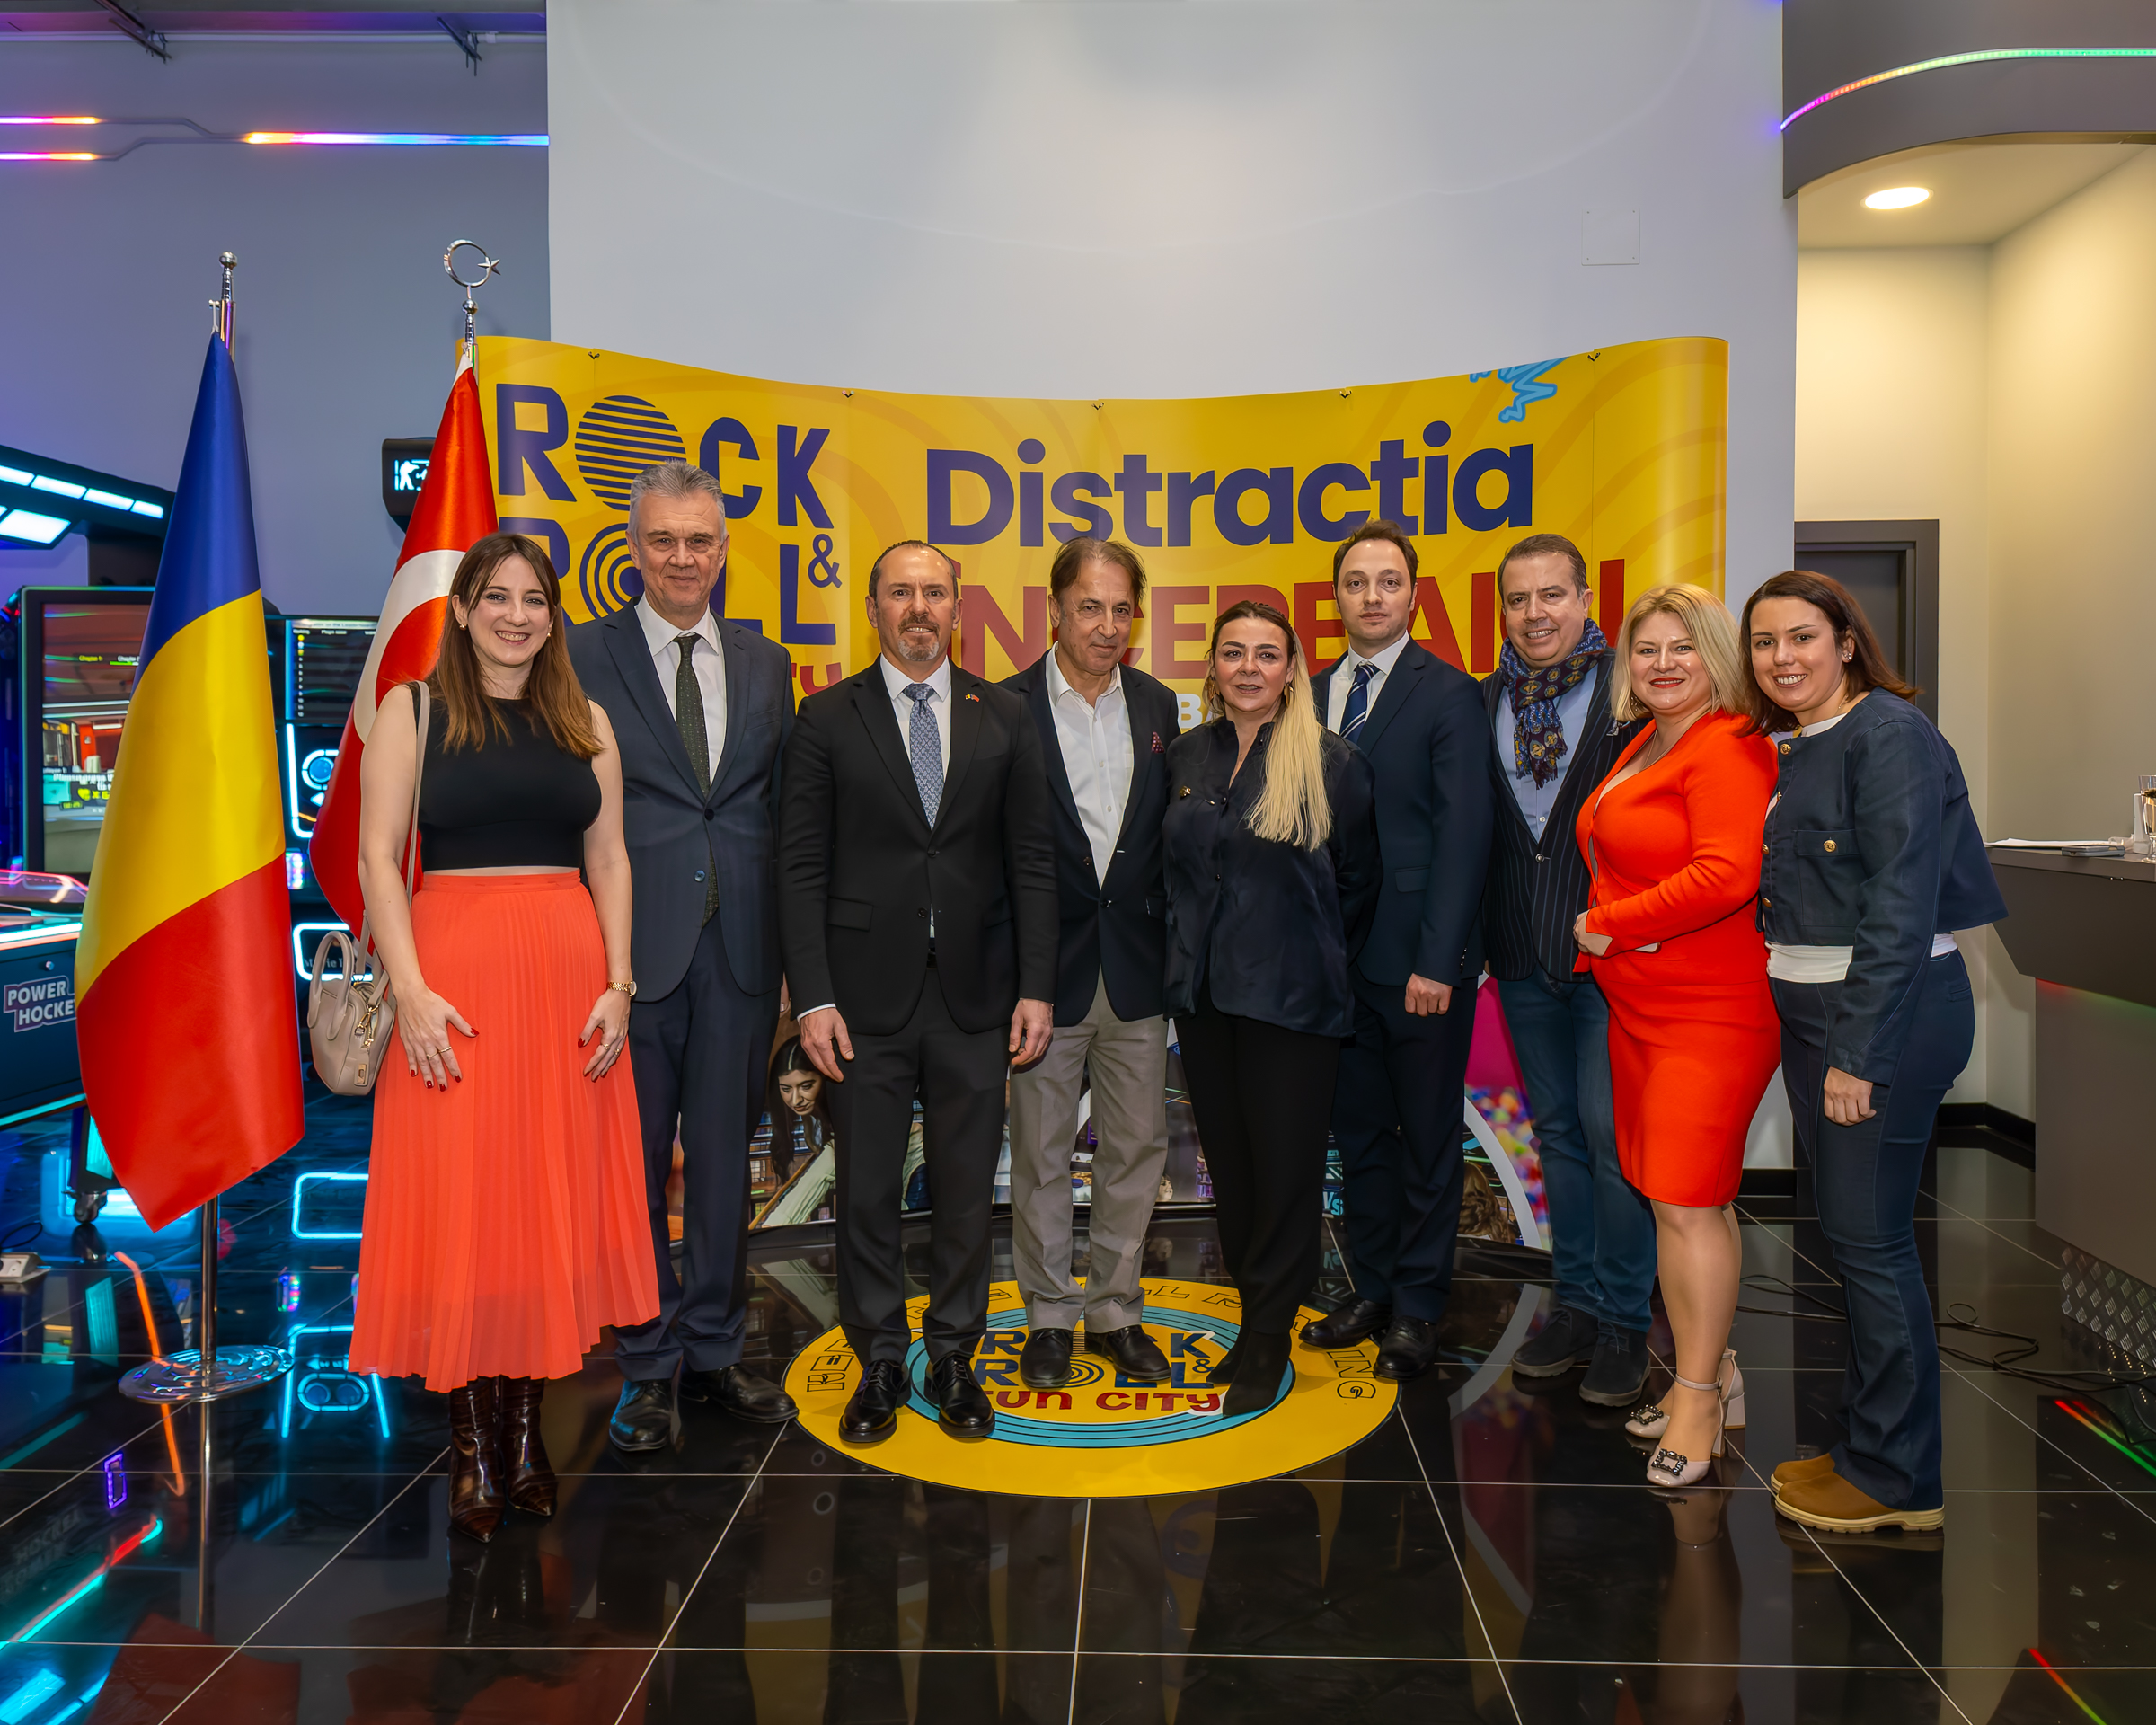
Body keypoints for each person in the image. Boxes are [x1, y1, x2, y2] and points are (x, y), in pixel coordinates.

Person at [347, 533, 658, 1542]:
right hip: (454, 985)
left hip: (568, 986)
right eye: (497, 597)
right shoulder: (413, 709)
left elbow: (610, 859)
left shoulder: (587, 720)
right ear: (464, 608)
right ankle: (470, 1443)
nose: (516, 616)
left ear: (553, 616)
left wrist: (618, 985)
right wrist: (410, 990)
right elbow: (379, 859)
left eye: (534, 600)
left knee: (538, 1200)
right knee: (465, 1200)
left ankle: (525, 1432)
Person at [778, 540, 1059, 1442]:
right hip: (860, 1002)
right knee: (865, 1190)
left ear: (957, 608)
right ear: (873, 608)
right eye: (900, 592)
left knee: (967, 1192)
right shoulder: (826, 717)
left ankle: (955, 1358)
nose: (919, 609)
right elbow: (801, 866)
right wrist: (812, 997)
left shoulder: (1005, 715)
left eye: (934, 593)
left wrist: (1038, 987)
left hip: (977, 996)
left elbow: (1032, 860)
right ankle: (879, 1362)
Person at [1745, 570, 2005, 1534]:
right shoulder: (1806, 740)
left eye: (1803, 637)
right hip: (1824, 1014)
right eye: (1765, 642)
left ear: (1847, 641)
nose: (1782, 658)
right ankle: (1867, 1443)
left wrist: (1858, 1055)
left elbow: (1899, 912)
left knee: (1871, 1242)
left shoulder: (1889, 736)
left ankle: (1899, 1478)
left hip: (1878, 1018)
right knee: (1851, 1239)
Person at [568, 460, 800, 1453]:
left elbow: (779, 813)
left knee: (720, 1167)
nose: (680, 558)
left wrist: (791, 960)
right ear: (633, 546)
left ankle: (712, 1348)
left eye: (698, 540)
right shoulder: (581, 654)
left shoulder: (766, 663)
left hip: (742, 951)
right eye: (662, 539)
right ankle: (645, 1362)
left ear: (723, 548)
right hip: (628, 955)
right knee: (629, 1167)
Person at [1571, 583, 1778, 1489]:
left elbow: (1729, 874)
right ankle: (1716, 1375)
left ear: (1715, 656)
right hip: (1642, 1008)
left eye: (1681, 647)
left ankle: (1695, 1401)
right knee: (1682, 1202)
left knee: (1688, 1205)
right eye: (1646, 649)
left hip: (1710, 1012)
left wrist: (1613, 925)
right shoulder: (1648, 741)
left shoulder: (1728, 742)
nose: (1662, 664)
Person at [1163, 601, 1380, 1415]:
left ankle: (1267, 1338)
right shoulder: (1188, 753)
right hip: (1205, 1001)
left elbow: (1357, 884)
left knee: (1286, 1177)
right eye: (1233, 653)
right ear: (1213, 667)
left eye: (1266, 654)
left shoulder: (1333, 762)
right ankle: (1256, 1317)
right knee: (1235, 1174)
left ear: (1291, 669)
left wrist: (1305, 951)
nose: (1248, 668)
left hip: (1291, 1004)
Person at [1301, 520, 1492, 1380]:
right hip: (1331, 966)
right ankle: (1372, 1289)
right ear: (1335, 597)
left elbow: (1463, 836)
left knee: (1426, 1142)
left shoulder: (1449, 693)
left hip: (1417, 964)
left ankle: (1418, 1306)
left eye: (1388, 581)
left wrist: (1439, 961)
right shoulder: (1308, 692)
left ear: (1413, 595)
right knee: (1361, 1139)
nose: (1371, 596)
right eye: (1356, 582)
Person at [1001, 536, 1184, 1390]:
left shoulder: (1157, 704)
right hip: (1045, 976)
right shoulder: (1004, 707)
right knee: (1040, 1152)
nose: (1107, 626)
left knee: (1136, 1150)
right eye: (1090, 607)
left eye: (1121, 609)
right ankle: (1047, 1315)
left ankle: (1114, 1310)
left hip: (1137, 969)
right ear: (1055, 610)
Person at [1480, 533, 1657, 1406]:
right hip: (1520, 954)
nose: (1535, 613)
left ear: (1586, 600)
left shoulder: (1637, 693)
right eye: (1518, 600)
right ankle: (1576, 1305)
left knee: (1612, 1139)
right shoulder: (1483, 699)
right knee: (1557, 1135)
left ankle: (1626, 1321)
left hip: (1611, 956)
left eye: (1552, 594)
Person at [765, 1033, 834, 1184]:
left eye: (806, 1086)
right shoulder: (810, 1118)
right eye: (786, 1089)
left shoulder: (840, 1121)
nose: (796, 1100)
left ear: (824, 1077)